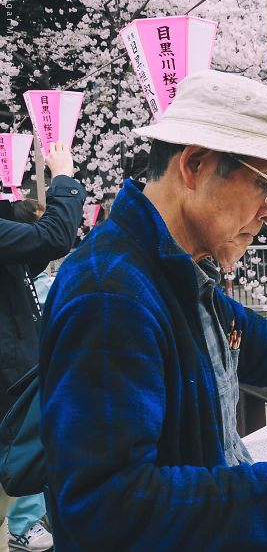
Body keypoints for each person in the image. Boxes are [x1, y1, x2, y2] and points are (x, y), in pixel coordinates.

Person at [38, 70, 267, 550]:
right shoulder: (111, 297)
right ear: (194, 166)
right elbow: (105, 506)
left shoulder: (166, 268)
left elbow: (243, 335)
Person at [1, 143, 85, 552]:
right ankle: (25, 526)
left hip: (17, 370)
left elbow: (35, 250)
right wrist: (64, 178)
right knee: (27, 458)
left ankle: (26, 524)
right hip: (11, 377)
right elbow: (54, 238)